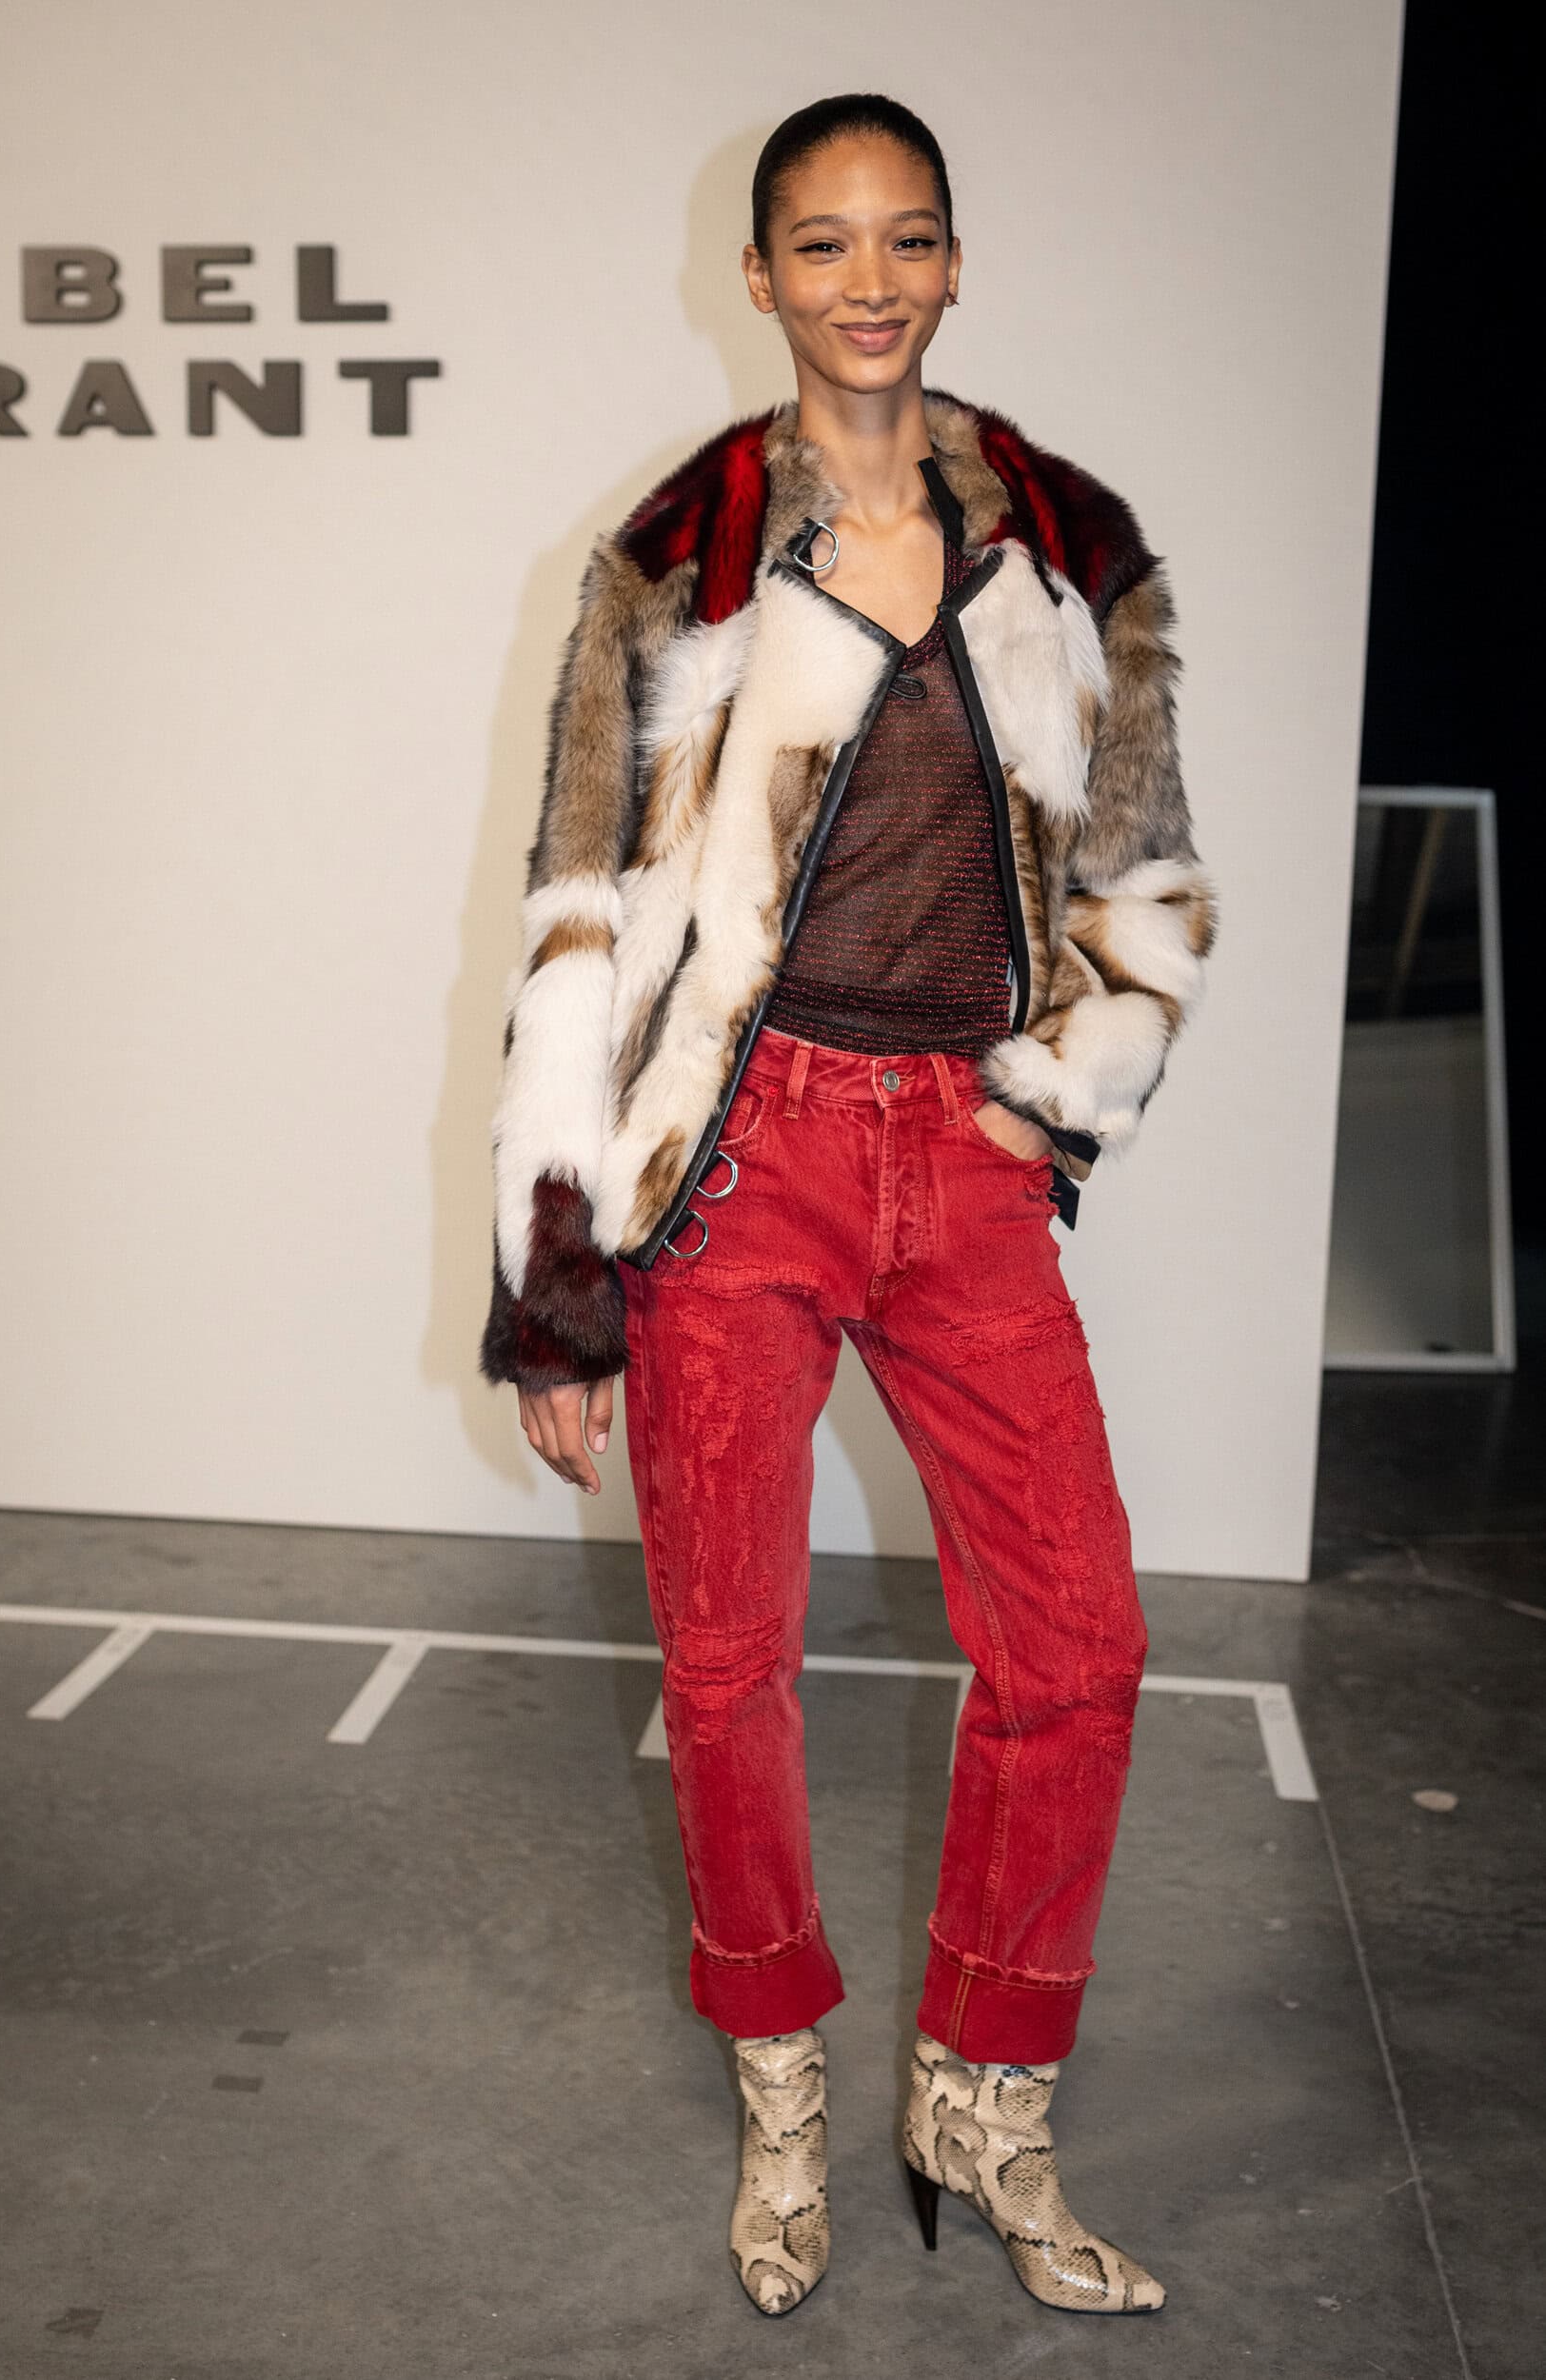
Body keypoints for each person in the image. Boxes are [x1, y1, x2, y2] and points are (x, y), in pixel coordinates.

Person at [481, 91, 1216, 2322]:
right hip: (746, 1159)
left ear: (956, 261)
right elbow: (585, 907)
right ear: (764, 278)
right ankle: (785, 2085)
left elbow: (1146, 870)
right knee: (729, 1667)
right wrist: (557, 1287)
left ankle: (984, 2098)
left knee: (1078, 1648)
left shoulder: (1071, 543)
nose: (868, 282)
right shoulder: (683, 548)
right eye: (823, 244)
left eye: (907, 239)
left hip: (963, 1159)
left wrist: (1062, 1099)